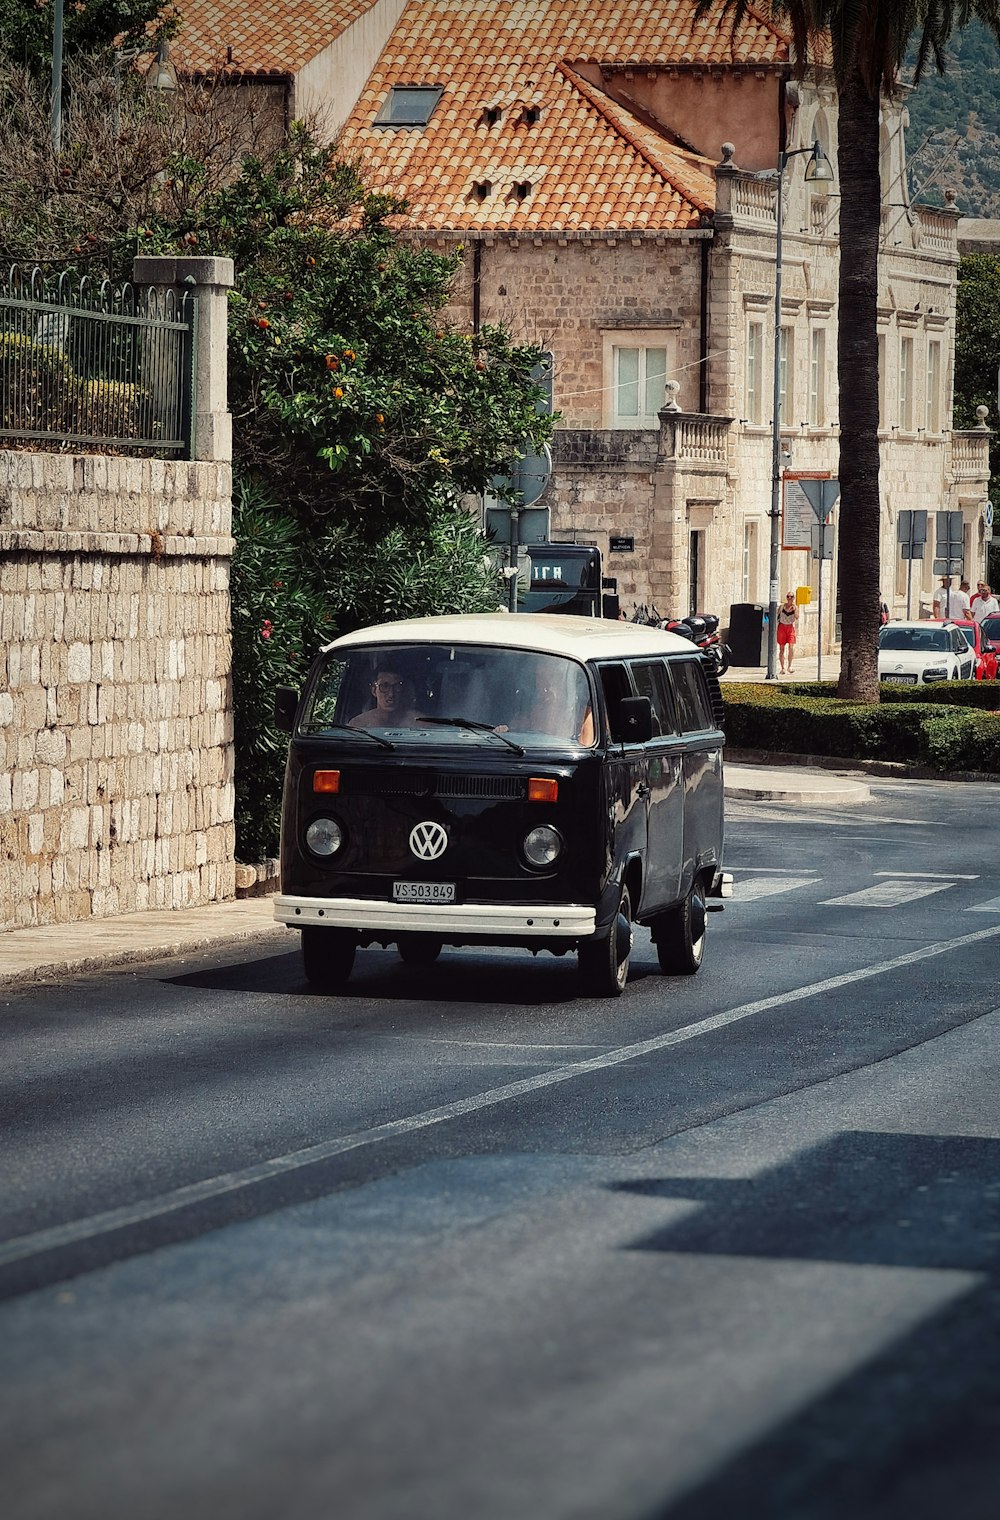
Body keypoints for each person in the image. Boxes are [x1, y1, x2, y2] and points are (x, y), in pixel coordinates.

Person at [349, 667, 420, 728]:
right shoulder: (359, 725)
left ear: (403, 690)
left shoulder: (420, 724)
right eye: (384, 686)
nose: (391, 694)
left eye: (397, 687)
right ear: (374, 691)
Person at [776, 591, 798, 674]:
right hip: (782, 627)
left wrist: (795, 609)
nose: (789, 598)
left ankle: (790, 666)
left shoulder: (795, 607)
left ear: (793, 598)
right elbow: (777, 616)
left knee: (791, 647)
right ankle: (782, 668)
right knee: (782, 648)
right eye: (788, 596)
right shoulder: (782, 607)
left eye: (791, 597)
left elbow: (797, 617)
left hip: (790, 627)